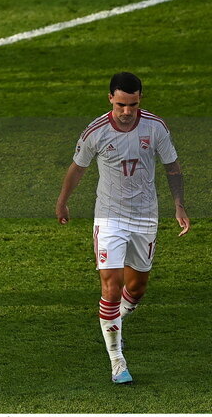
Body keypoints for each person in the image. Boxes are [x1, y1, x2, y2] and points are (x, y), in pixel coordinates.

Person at [56, 72, 189, 384]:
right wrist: (63, 201)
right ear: (110, 100)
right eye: (120, 105)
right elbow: (78, 168)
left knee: (137, 288)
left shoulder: (155, 127)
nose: (127, 111)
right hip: (109, 216)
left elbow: (173, 166)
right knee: (111, 286)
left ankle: (113, 320)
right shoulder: (96, 132)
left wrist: (179, 204)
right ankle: (118, 362)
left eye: (132, 104)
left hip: (145, 216)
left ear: (140, 99)